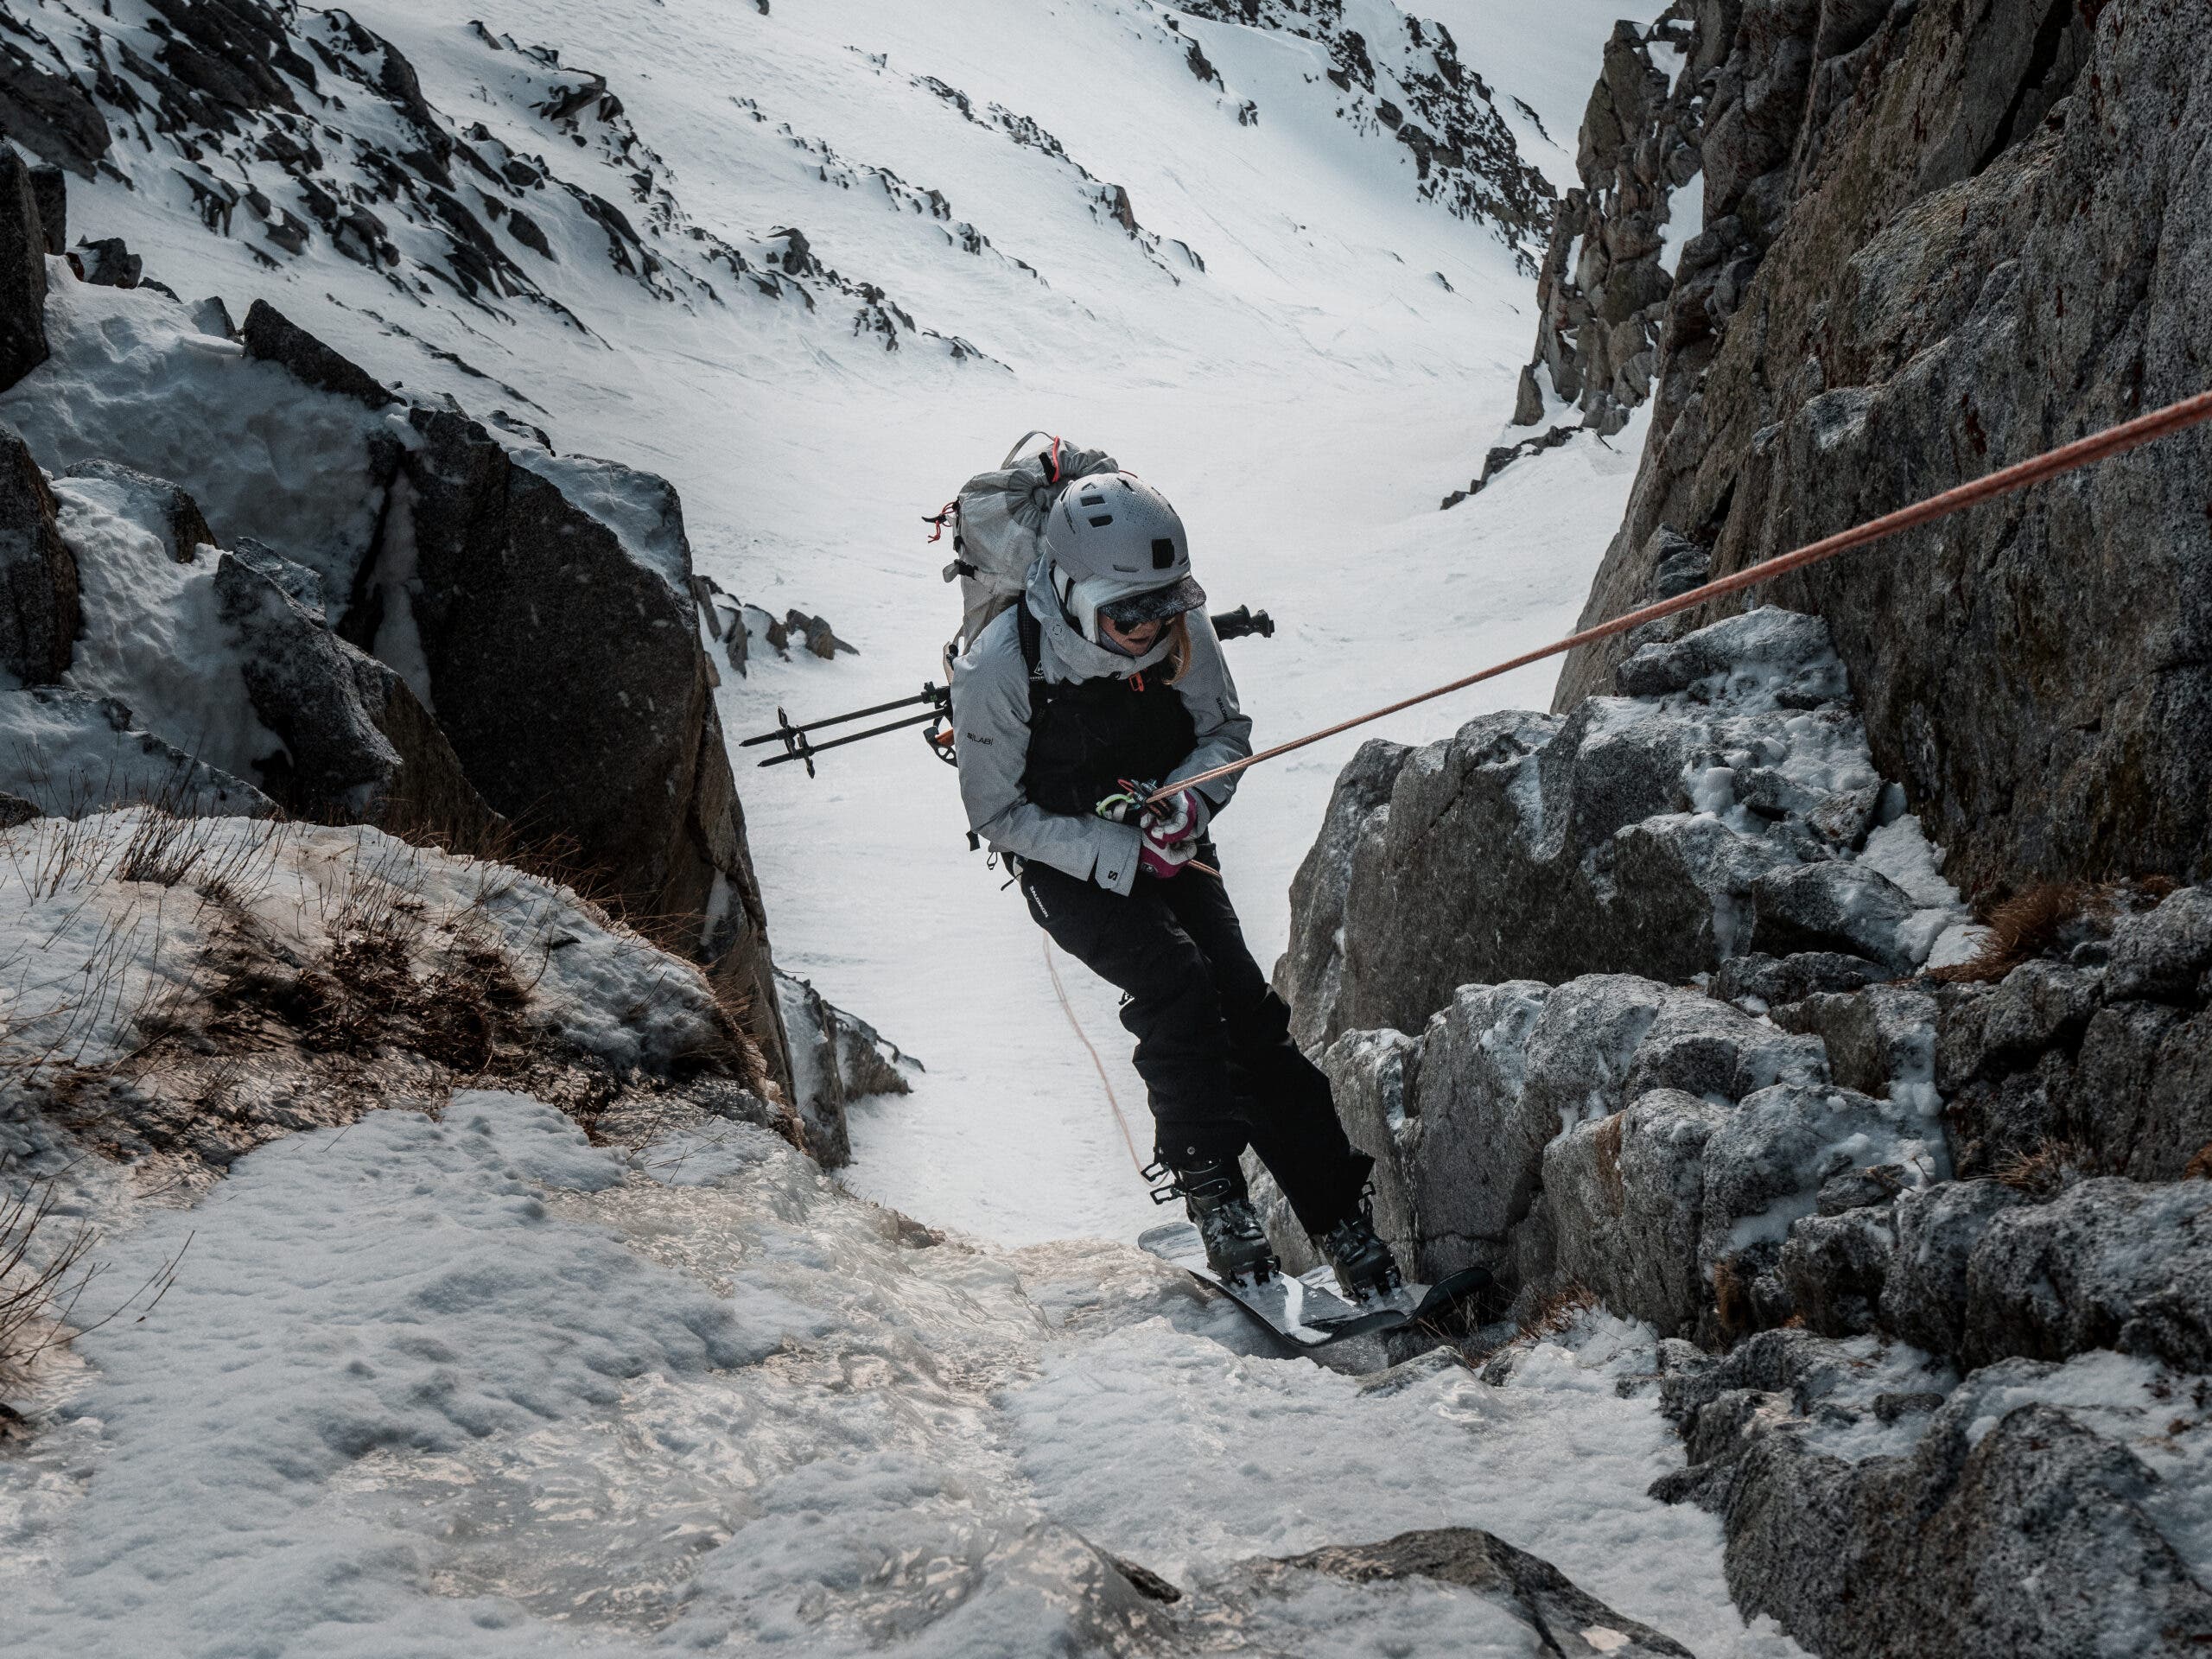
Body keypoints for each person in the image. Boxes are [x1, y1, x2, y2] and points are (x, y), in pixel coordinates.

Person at [951, 470, 1399, 1296]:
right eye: (1129, 615)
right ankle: (1214, 1196)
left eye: (1164, 606)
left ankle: (1342, 1221)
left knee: (1251, 1016)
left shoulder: (1180, 628)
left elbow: (1224, 733)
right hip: (1064, 859)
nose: (1150, 630)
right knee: (1177, 986)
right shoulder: (997, 668)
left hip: (1169, 837)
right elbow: (998, 812)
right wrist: (1118, 852)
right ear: (1074, 594)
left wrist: (1186, 804)